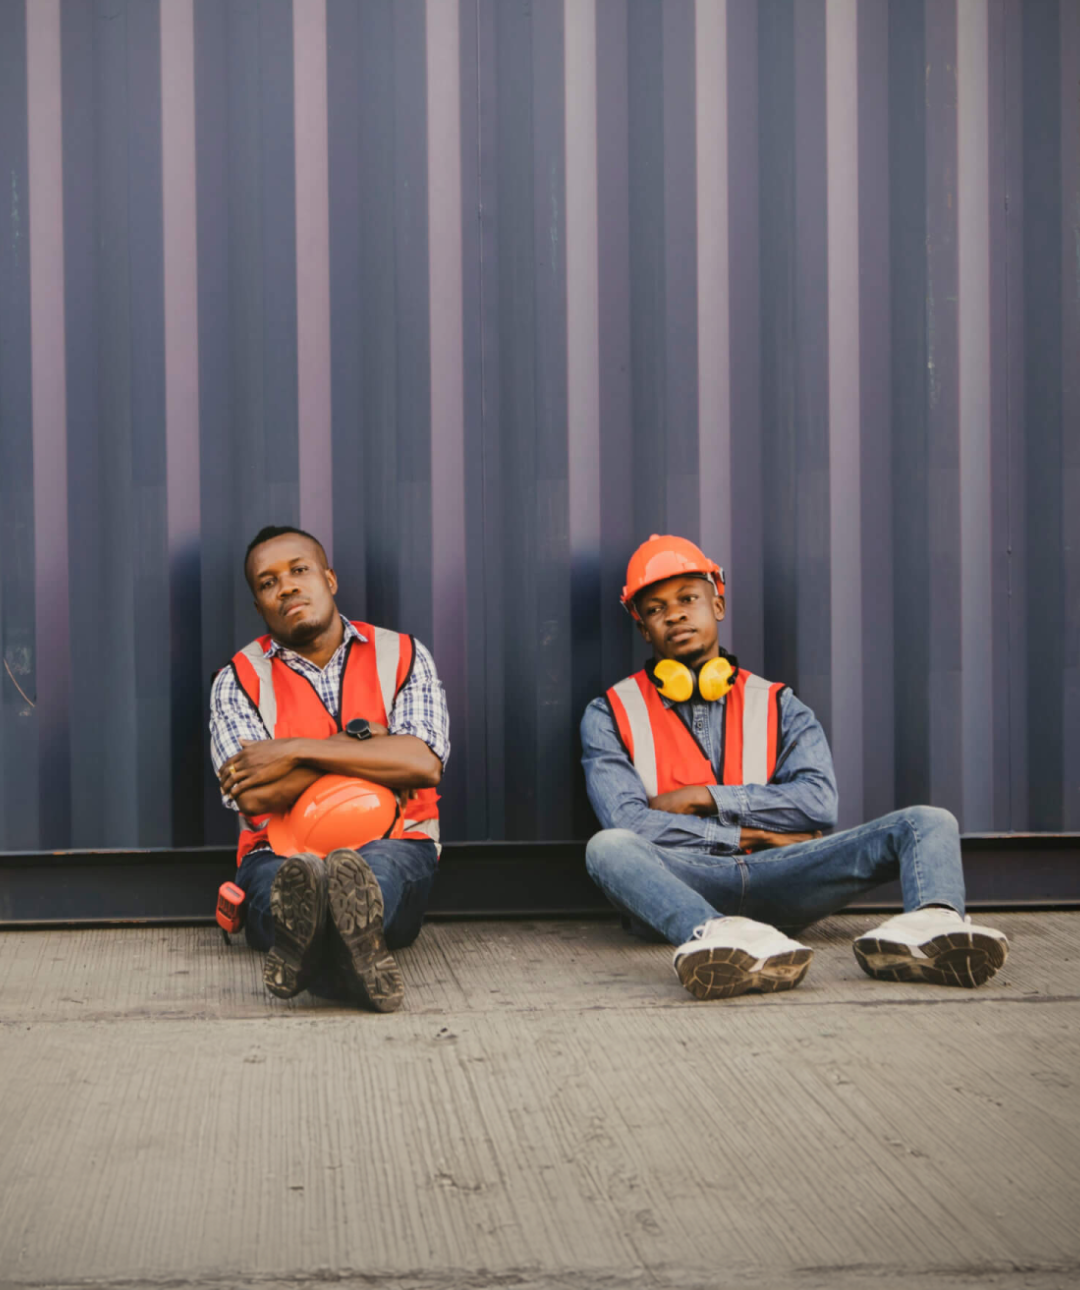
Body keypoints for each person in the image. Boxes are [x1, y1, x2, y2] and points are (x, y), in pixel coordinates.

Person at [580, 534, 1008, 1001]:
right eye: (657, 608)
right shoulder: (609, 712)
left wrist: (704, 798)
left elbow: (818, 803)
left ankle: (934, 929)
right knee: (608, 847)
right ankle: (717, 937)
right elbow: (628, 823)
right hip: (685, 880)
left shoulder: (778, 703)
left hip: (783, 872)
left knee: (928, 821)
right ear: (645, 628)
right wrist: (755, 835)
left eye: (688, 599)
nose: (676, 614)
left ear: (717, 606)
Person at [209, 525, 449, 1012]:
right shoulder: (237, 679)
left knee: (369, 876)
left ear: (330, 579)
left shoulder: (402, 655)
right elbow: (252, 796)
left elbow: (422, 763)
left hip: (395, 844)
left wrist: (293, 751)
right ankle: (350, 958)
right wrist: (368, 752)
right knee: (291, 888)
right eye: (268, 582)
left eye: (299, 570)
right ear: (259, 606)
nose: (287, 586)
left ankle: (314, 950)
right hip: (275, 852)